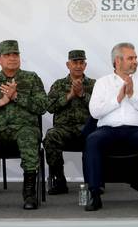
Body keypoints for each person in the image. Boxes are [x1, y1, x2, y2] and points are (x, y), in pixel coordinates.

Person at [84, 42, 138, 211]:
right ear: (117, 61)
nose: (135, 61)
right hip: (108, 131)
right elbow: (95, 112)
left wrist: (132, 95)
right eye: (130, 58)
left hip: (137, 130)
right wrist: (117, 99)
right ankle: (95, 194)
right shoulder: (102, 83)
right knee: (92, 140)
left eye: (135, 57)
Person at [0, 40, 48, 210]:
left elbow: (43, 106)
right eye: (7, 55)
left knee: (28, 135)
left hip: (24, 128)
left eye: (16, 54)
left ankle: (29, 193)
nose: (12, 58)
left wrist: (16, 97)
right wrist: (1, 101)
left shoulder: (31, 78)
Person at [44, 50, 95, 195]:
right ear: (68, 64)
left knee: (97, 137)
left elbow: (100, 108)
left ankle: (93, 181)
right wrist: (70, 95)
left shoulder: (94, 84)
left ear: (85, 65)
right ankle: (58, 180)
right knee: (51, 136)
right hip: (63, 129)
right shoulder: (59, 85)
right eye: (75, 63)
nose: (78, 66)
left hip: (86, 128)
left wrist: (82, 94)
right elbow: (49, 107)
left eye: (81, 63)